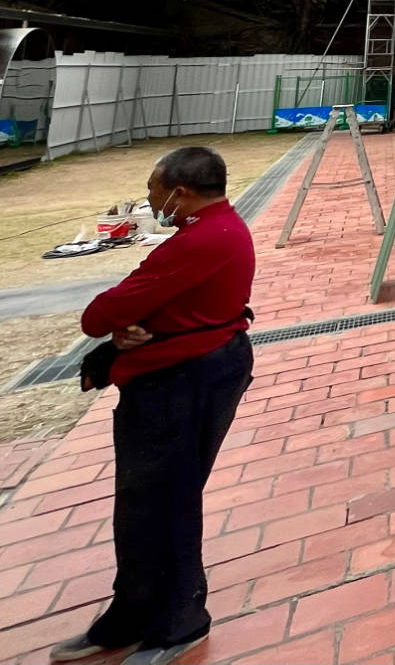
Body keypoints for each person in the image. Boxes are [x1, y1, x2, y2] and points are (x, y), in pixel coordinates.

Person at [49, 147, 255, 665]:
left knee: (167, 503)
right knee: (143, 505)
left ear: (180, 192)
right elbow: (137, 314)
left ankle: (178, 623)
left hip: (184, 384)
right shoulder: (216, 231)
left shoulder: (201, 240)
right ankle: (133, 613)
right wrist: (134, 331)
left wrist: (124, 326)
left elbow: (99, 315)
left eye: (153, 190)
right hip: (181, 376)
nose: (149, 199)